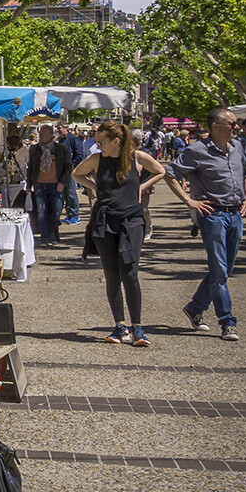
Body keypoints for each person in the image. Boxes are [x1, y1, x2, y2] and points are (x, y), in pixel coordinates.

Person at [74, 121, 169, 346]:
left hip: (132, 220)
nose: (98, 146)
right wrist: (96, 188)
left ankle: (137, 326)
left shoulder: (137, 157)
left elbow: (161, 171)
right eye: (97, 142)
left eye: (102, 142)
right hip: (105, 219)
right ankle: (119, 325)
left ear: (117, 142)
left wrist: (141, 187)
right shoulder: (97, 159)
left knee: (130, 270)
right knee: (111, 273)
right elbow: (76, 174)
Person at [171, 106, 246, 342]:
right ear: (216, 126)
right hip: (213, 215)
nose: (237, 127)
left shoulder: (237, 147)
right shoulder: (196, 151)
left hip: (235, 214)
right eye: (232, 123)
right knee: (219, 270)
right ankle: (227, 322)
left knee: (224, 268)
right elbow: (171, 173)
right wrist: (189, 201)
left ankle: (196, 308)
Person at [26, 124, 72, 247]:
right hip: (40, 184)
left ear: (51, 135)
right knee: (41, 210)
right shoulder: (35, 149)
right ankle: (45, 237)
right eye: (40, 134)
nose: (41, 136)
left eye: (44, 134)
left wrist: (62, 181)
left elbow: (68, 166)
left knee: (57, 210)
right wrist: (29, 185)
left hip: (56, 184)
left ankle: (52, 231)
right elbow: (31, 167)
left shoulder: (61, 149)